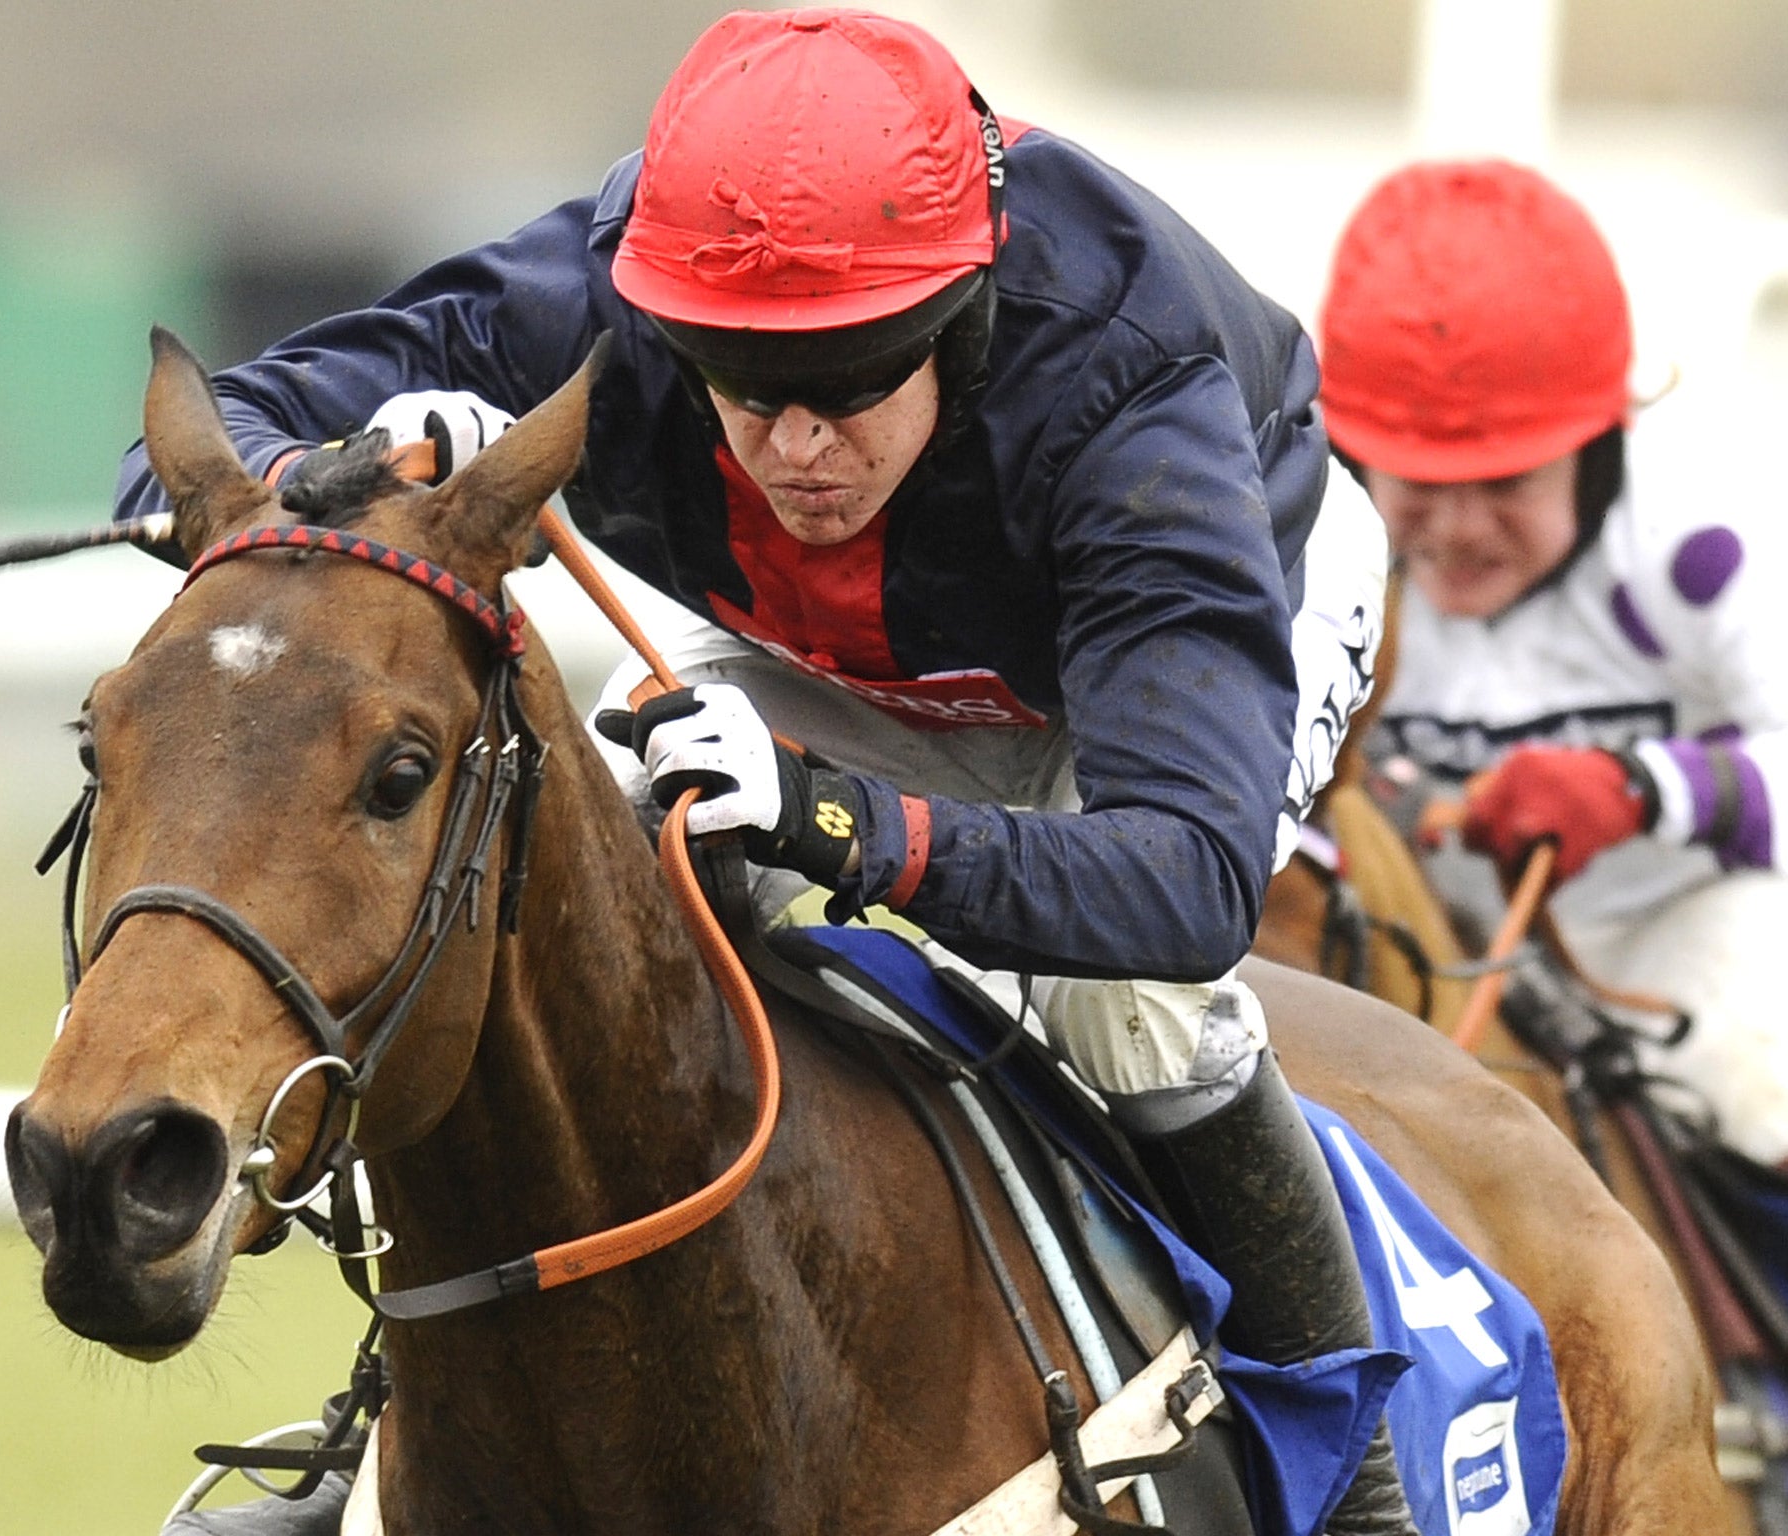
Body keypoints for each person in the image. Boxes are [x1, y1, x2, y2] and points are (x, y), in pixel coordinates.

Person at [117, 9, 1411, 1532]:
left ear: (963, 321)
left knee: (1132, 1009)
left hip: (1148, 665)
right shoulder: (609, 283)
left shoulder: (1133, 390)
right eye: (740, 386)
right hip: (821, 652)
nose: (796, 445)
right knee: (593, 902)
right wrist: (345, 482)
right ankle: (393, 1426)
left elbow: (1183, 887)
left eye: (853, 384)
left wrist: (836, 818)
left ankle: (1357, 1482)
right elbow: (215, 442)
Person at [1318, 156, 1788, 1212]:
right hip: (1474, 964)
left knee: (1735, 1071)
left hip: (1736, 907)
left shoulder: (1697, 535)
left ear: (1598, 445)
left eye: (1506, 481)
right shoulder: (1319, 563)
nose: (1458, 531)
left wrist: (1646, 787)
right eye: (1420, 483)